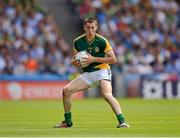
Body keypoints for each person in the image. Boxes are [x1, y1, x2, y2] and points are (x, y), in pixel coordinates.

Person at [54, 18, 129, 128]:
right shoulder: (78, 42)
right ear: (84, 27)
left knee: (107, 95)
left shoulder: (102, 41)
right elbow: (76, 59)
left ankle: (122, 122)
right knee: (66, 91)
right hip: (88, 73)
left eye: (93, 28)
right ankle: (68, 122)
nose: (90, 30)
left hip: (102, 70)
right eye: (88, 28)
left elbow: (113, 59)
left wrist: (93, 59)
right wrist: (76, 62)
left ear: (96, 28)